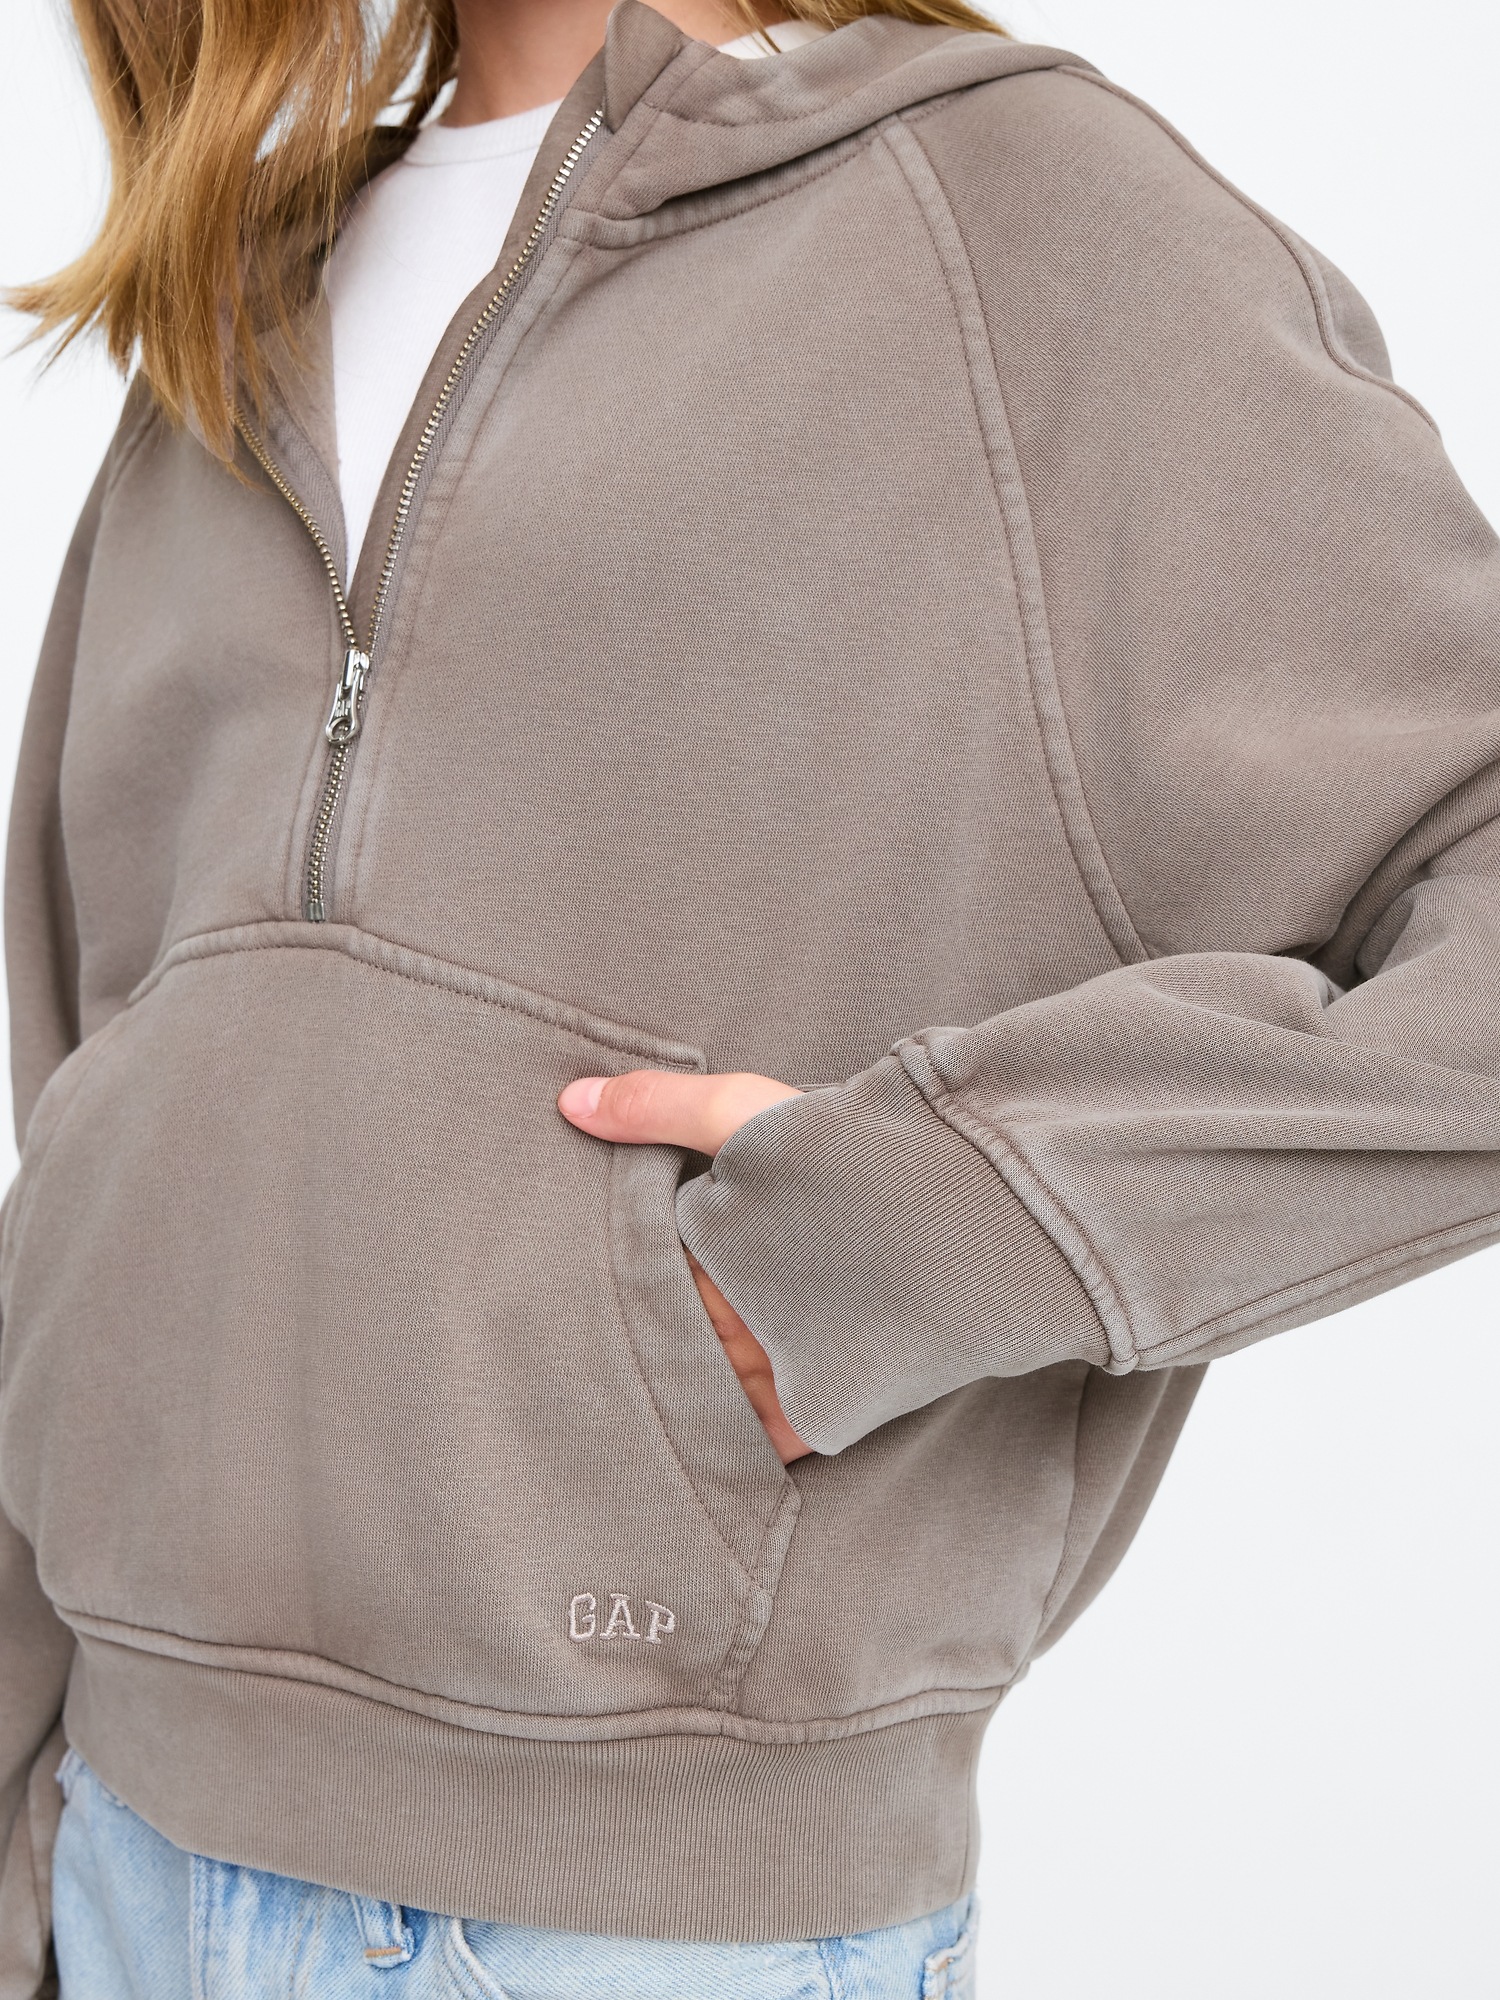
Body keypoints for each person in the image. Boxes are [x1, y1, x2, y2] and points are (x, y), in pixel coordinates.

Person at [2, 0, 1497, 1991]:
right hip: (115, 1847)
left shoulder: (1022, 219)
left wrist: (907, 1229)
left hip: (631, 1929)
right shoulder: (232, 297)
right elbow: (94, 1109)